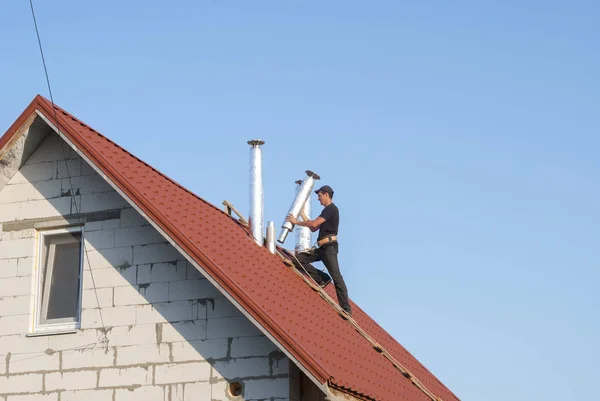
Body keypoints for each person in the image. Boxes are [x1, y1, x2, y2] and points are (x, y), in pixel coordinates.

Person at [286, 185, 352, 316]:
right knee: (298, 260)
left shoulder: (331, 209)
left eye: (320, 195)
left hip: (329, 248)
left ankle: (346, 308)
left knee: (337, 276)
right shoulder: (327, 211)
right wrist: (303, 216)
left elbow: (314, 224)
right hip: (321, 249)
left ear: (326, 194)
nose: (318, 198)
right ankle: (322, 278)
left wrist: (295, 222)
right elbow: (314, 228)